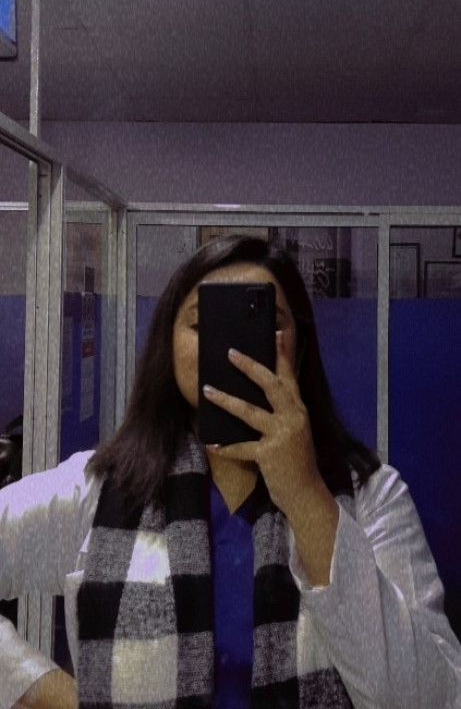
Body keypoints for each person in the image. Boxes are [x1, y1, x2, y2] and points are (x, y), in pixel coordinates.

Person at [1, 234, 460, 709]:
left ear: (299, 349)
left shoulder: (373, 498)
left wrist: (306, 494)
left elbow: (435, 697)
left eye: (265, 322)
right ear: (168, 346)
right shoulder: (98, 493)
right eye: (203, 323)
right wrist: (40, 689)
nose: (230, 347)